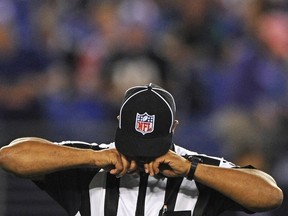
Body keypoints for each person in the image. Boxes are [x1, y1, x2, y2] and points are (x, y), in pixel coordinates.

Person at [0, 83, 283, 216]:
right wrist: (92, 157)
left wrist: (192, 169)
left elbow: (269, 195)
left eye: (150, 146)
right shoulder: (89, 162)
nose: (142, 156)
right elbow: (10, 157)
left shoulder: (194, 168)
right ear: (119, 122)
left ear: (174, 128)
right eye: (135, 145)